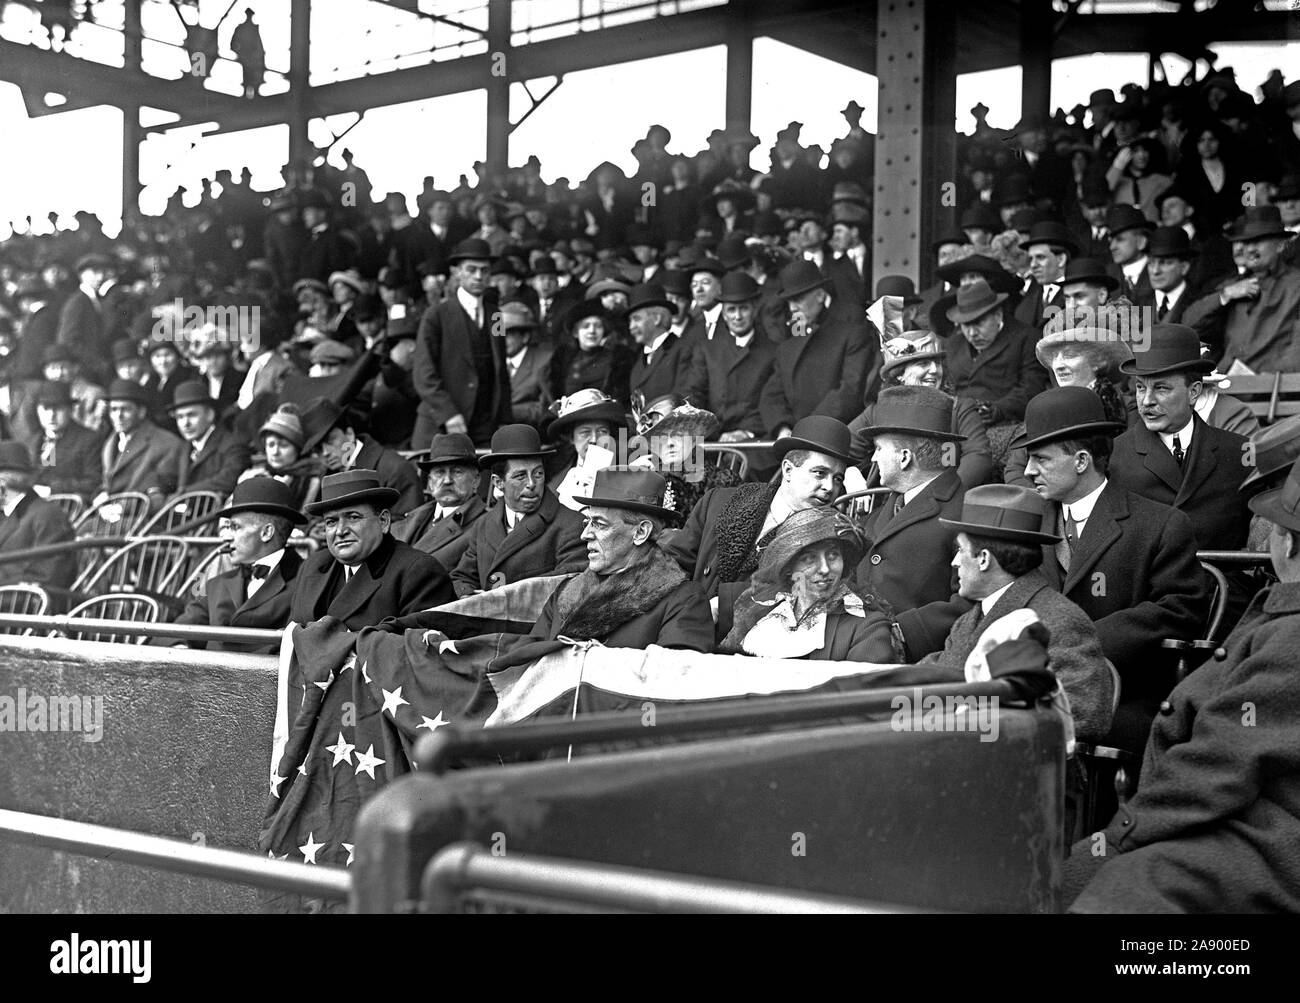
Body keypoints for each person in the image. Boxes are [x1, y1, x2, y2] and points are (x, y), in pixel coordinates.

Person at [1063, 455, 1300, 912]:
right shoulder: (1284, 617)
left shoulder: (1291, 637)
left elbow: (1217, 769)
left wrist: (1116, 840)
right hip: (1233, 819)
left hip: (1260, 839)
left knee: (1113, 889)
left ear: (1286, 544)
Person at [1013, 386, 1209, 753]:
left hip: (1125, 693)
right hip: (1031, 685)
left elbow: (1180, 610)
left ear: (1082, 461)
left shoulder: (1160, 524)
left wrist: (1080, 641)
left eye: (1041, 459)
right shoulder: (1026, 525)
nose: (1028, 471)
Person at [920, 484, 1115, 743]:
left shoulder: (1061, 620)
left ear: (984, 559)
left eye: (960, 550)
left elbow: (1084, 715)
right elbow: (932, 678)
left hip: (1027, 771)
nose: (955, 562)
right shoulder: (969, 621)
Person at [663, 415, 852, 603]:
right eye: (820, 473)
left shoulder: (830, 539)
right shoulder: (718, 502)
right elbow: (674, 562)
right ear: (788, 470)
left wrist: (723, 606)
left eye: (837, 478)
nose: (829, 487)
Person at [524, 469, 714, 650]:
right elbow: (529, 662)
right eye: (587, 522)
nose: (585, 534)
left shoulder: (684, 601)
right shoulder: (565, 593)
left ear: (641, 532)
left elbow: (677, 677)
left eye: (599, 524)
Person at [1109, 323, 1252, 553]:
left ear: (1193, 392)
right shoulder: (1114, 458)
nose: (1147, 401)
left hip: (1221, 586)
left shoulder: (1238, 453)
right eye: (1140, 388)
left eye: (1161, 388)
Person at [855, 386, 968, 623]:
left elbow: (967, 601)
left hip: (916, 654)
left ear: (905, 457)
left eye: (878, 448)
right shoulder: (886, 508)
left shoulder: (964, 513)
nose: (873, 458)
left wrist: (906, 635)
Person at [720, 507, 894, 661]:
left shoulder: (867, 627)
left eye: (833, 555)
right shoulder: (760, 610)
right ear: (789, 567)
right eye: (809, 559)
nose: (825, 569)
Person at [288, 469, 454, 629]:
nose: (340, 531)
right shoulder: (312, 566)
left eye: (353, 517)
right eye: (331, 521)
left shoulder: (418, 572)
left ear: (383, 521)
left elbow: (417, 649)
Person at [452, 424, 587, 597]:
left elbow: (568, 583)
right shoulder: (484, 525)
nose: (531, 484)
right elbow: (461, 577)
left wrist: (499, 599)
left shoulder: (572, 525)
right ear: (498, 482)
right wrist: (468, 596)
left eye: (538, 474)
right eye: (520, 476)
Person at [173, 478, 306, 653]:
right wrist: (180, 648)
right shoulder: (216, 584)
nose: (226, 537)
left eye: (235, 527)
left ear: (266, 533)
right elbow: (177, 631)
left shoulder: (306, 581)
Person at [848, 330, 992, 488]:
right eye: (923, 364)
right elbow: (842, 449)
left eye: (937, 363)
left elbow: (978, 455)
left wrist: (947, 493)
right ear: (899, 374)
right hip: (890, 505)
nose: (935, 370)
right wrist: (851, 473)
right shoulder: (878, 412)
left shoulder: (958, 408)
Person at [411, 237, 510, 448]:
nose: (478, 276)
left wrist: (504, 419)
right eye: (471, 269)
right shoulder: (436, 315)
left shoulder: (496, 316)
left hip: (484, 423)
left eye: (484, 270)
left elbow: (500, 370)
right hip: (441, 424)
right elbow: (423, 373)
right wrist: (448, 413)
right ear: (456, 272)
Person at [1183, 206, 1300, 373]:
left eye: (1258, 241)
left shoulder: (1296, 285)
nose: (1250, 249)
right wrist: (1225, 296)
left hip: (1273, 390)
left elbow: (1296, 353)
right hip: (1228, 385)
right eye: (1246, 242)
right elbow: (1189, 326)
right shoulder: (1231, 286)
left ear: (1280, 245)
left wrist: (1261, 380)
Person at [760, 260, 871, 433]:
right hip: (792, 438)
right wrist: (782, 427)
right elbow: (771, 396)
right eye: (789, 302)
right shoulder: (788, 347)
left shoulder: (851, 334)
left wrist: (807, 429)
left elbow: (850, 391)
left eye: (798, 299)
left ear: (820, 295)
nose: (792, 308)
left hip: (834, 437)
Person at [682, 272, 777, 441]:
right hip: (713, 440)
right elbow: (693, 393)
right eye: (731, 310)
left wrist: (747, 432)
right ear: (724, 314)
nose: (737, 316)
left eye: (744, 308)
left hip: (754, 441)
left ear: (754, 310)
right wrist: (710, 432)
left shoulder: (772, 352)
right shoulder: (707, 349)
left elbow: (772, 401)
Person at [299, 398, 423, 518]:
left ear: (349, 434)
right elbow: (316, 518)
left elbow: (409, 526)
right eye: (318, 449)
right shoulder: (330, 475)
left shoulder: (394, 469)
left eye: (330, 441)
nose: (325, 453)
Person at [629, 396, 741, 520]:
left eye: (677, 435)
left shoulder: (721, 482)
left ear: (693, 439)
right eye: (661, 437)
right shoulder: (647, 479)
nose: (670, 443)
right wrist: (630, 480)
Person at [391, 433, 488, 570]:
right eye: (439, 472)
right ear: (430, 482)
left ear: (476, 480)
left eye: (457, 472)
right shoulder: (414, 517)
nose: (447, 480)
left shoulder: (486, 524)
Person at [0, 443, 76, 598]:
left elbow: (49, 577)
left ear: (3, 482)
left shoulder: (48, 515)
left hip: (25, 607)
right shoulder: (6, 515)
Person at [97, 378, 185, 509]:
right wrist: (99, 496)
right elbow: (106, 484)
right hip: (110, 513)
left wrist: (121, 508)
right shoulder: (110, 442)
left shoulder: (166, 442)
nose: (118, 416)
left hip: (142, 518)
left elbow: (159, 491)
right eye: (114, 410)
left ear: (141, 412)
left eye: (125, 410)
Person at [545, 389, 624, 511]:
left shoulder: (628, 471)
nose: (594, 439)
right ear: (571, 438)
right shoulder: (556, 482)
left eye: (602, 431)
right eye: (585, 432)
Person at [168, 381, 250, 499]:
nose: (185, 423)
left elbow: (228, 480)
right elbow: (165, 476)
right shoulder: (184, 446)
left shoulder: (232, 444)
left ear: (210, 415)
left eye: (192, 415)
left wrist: (182, 494)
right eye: (180, 417)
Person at [24, 380, 102, 500]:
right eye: (46, 409)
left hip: (71, 508)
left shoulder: (89, 439)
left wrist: (52, 490)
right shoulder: (32, 442)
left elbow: (94, 482)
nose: (51, 415)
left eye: (58, 409)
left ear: (70, 410)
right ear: (38, 411)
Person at [550, 299, 633, 408]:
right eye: (586, 326)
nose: (592, 331)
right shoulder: (563, 361)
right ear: (576, 332)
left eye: (598, 326)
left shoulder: (618, 359)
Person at [626, 283, 690, 408]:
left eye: (637, 319)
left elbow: (684, 402)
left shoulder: (683, 350)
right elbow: (632, 415)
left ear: (657, 319)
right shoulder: (638, 362)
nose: (631, 327)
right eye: (630, 321)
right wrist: (622, 429)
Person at [501, 301, 554, 426]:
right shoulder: (493, 363)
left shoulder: (545, 360)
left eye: (507, 335)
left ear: (525, 337)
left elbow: (547, 408)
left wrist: (504, 412)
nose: (501, 341)